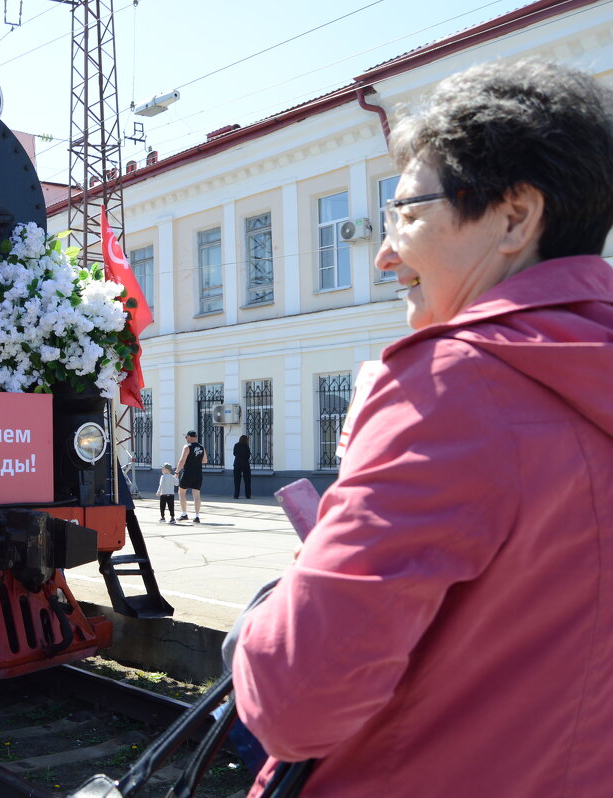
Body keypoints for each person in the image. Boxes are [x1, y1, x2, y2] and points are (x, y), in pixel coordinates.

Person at [232, 60, 613, 797]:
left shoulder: (451, 388)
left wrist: (261, 623)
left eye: (406, 213)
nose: (383, 254)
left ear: (514, 218)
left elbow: (294, 703)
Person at [175, 430, 207, 523]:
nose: (186, 439)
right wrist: (196, 461)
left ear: (189, 437)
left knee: (181, 492)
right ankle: (197, 516)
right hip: (198, 473)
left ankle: (184, 514)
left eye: (186, 437)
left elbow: (182, 461)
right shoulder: (201, 447)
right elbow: (205, 460)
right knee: (196, 495)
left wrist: (177, 472)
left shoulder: (187, 447)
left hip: (188, 473)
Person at [232, 435, 251, 500]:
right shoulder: (246, 446)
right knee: (247, 481)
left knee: (237, 481)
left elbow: (234, 453)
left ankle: (236, 495)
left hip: (237, 464)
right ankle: (248, 495)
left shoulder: (236, 445)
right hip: (245, 465)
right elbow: (248, 455)